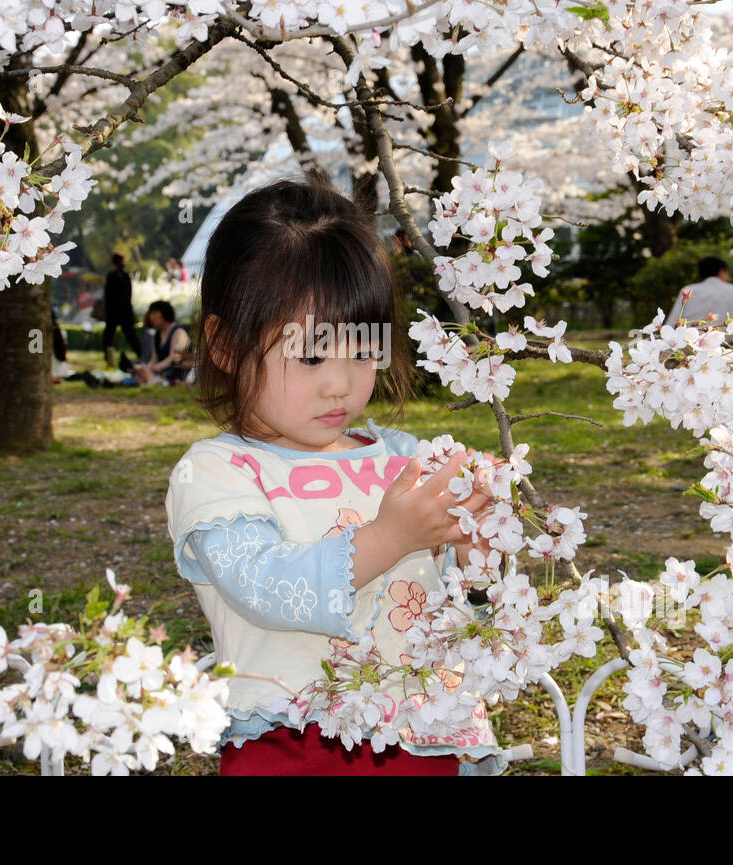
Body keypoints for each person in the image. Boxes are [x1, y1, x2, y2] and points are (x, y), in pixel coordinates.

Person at [164, 176, 503, 776]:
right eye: (312, 356)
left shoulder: (404, 458)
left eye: (361, 352)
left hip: (421, 736)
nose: (339, 384)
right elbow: (267, 587)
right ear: (222, 343)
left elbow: (456, 609)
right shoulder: (217, 472)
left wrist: (475, 558)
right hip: (293, 742)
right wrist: (391, 538)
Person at [664, 256, 733, 327]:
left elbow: (671, 323)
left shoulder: (688, 290)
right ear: (721, 272)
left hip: (688, 344)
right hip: (725, 345)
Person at [132, 300, 193, 385]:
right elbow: (154, 359)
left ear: (165, 313)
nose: (151, 317)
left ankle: (154, 381)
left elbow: (176, 358)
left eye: (154, 313)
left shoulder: (179, 333)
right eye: (150, 313)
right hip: (161, 371)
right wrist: (147, 367)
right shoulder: (157, 335)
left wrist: (154, 368)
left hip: (178, 371)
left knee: (144, 376)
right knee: (139, 373)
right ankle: (151, 379)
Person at [103, 252, 139, 370]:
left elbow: (108, 296)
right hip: (125, 312)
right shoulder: (126, 276)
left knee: (108, 336)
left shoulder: (111, 276)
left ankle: (109, 358)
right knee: (131, 336)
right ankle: (142, 354)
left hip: (113, 312)